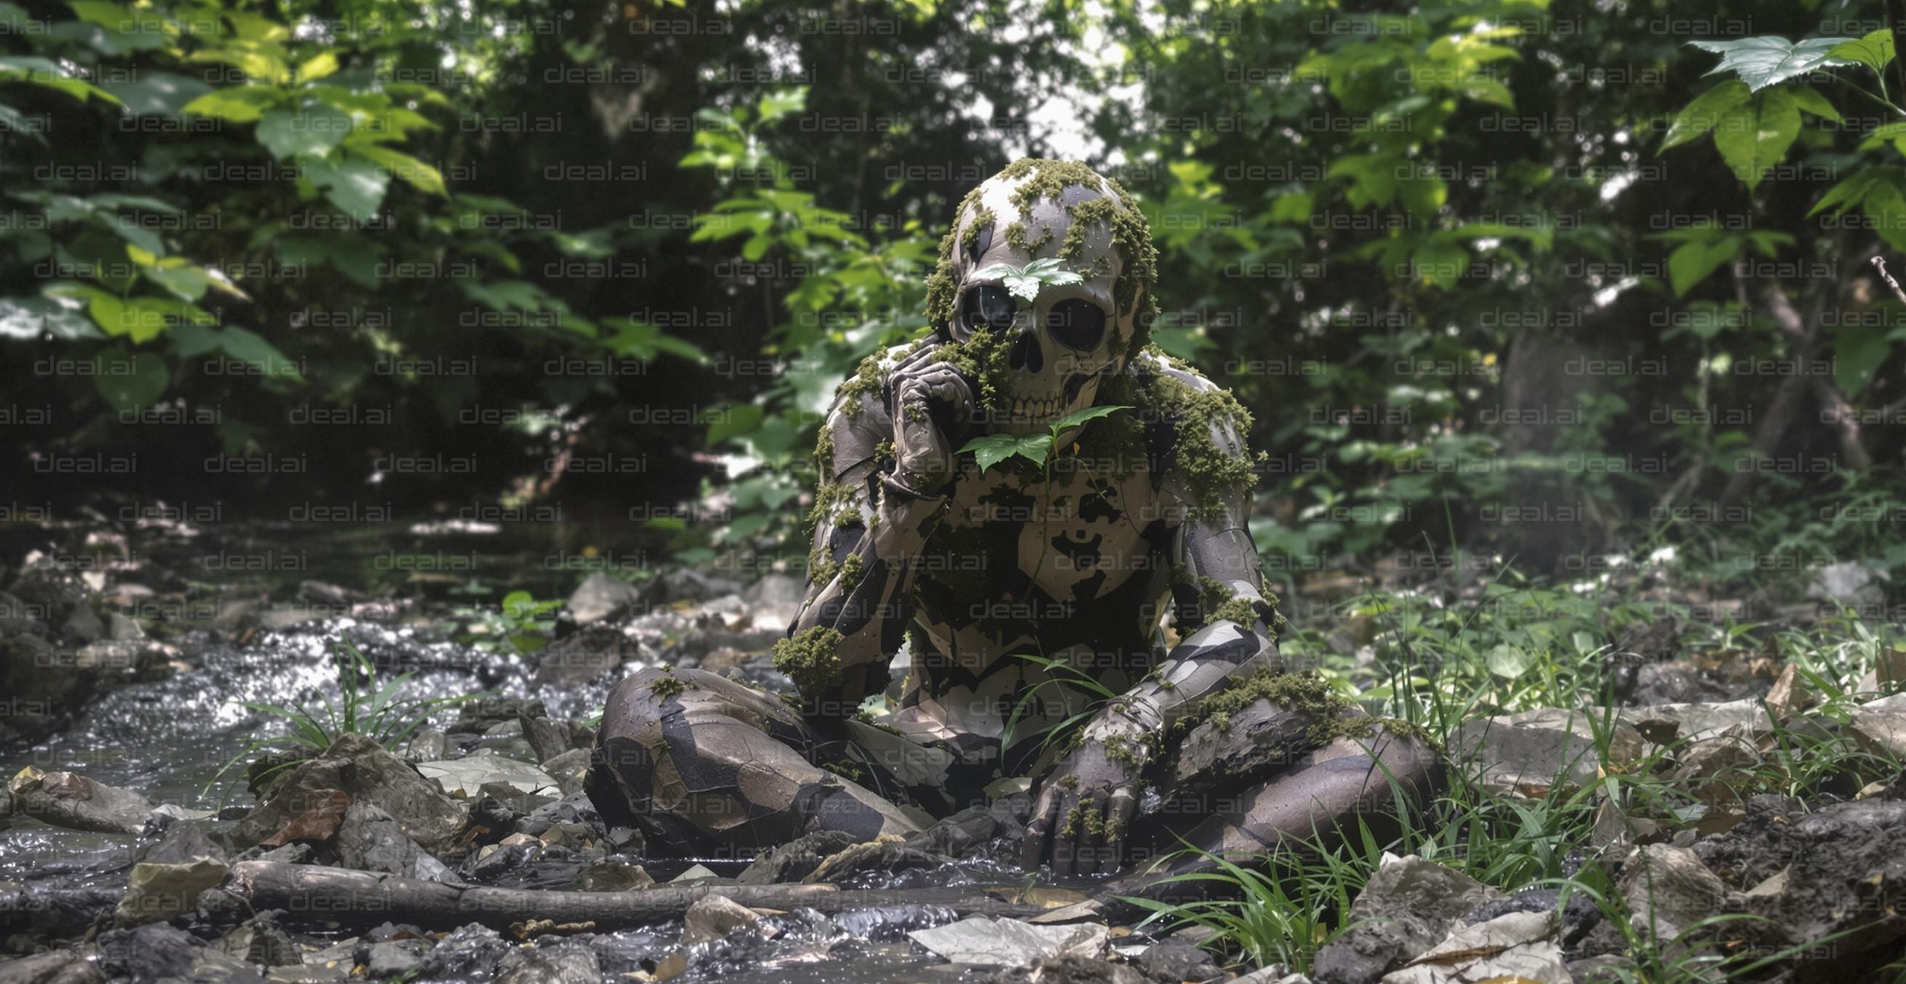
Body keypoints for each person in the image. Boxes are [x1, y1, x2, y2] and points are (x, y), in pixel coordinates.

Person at [587, 158, 1440, 879]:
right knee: (649, 710)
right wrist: (914, 485)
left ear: (1129, 323)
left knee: (1389, 761)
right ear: (951, 304)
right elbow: (828, 682)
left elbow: (1243, 627)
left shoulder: (1181, 417)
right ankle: (924, 866)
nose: (1025, 356)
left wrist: (1128, 726)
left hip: (1110, 765)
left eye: (1072, 321)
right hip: (920, 759)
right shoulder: (885, 403)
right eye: (995, 313)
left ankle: (1116, 887)